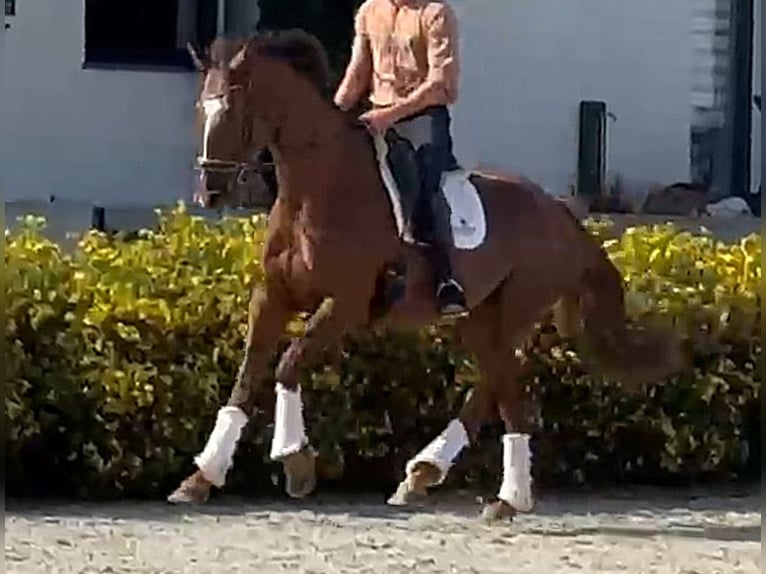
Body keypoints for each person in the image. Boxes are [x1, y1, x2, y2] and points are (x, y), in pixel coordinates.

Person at [333, 0, 468, 318]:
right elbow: (358, 73)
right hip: (377, 114)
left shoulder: (435, 14)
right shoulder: (370, 11)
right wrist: (331, 115)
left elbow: (439, 85)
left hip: (422, 117)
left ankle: (445, 281)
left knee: (417, 184)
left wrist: (391, 114)